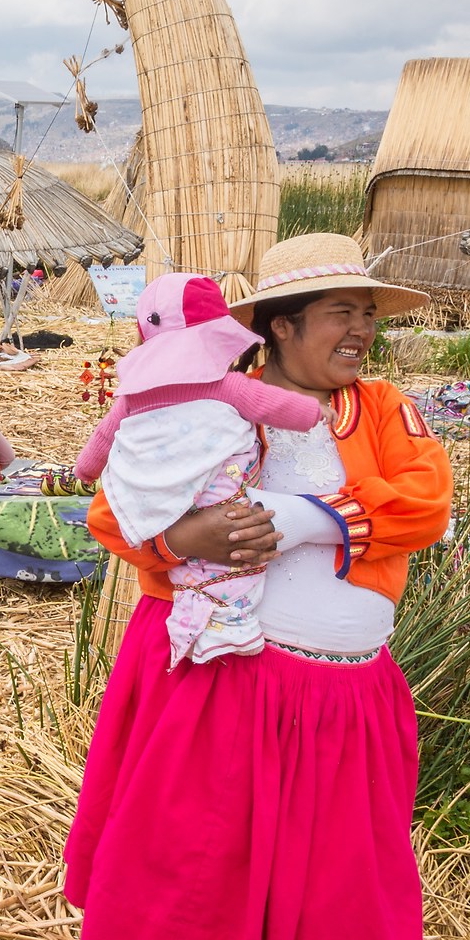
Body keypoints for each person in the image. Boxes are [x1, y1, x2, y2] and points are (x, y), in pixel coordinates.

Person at [63, 232, 451, 940]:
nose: (359, 331)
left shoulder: (382, 408)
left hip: (350, 683)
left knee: (344, 857)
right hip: (241, 667)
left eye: (367, 314)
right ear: (278, 327)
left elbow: (427, 504)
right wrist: (184, 536)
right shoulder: (210, 402)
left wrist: (303, 520)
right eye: (338, 314)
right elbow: (112, 511)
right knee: (215, 842)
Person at [76, 274, 324, 666]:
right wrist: (315, 413)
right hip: (222, 501)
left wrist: (84, 472)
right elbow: (275, 405)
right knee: (237, 553)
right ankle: (231, 624)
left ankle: (206, 624)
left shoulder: (132, 399)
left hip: (163, 510)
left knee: (204, 565)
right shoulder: (228, 387)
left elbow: (99, 446)